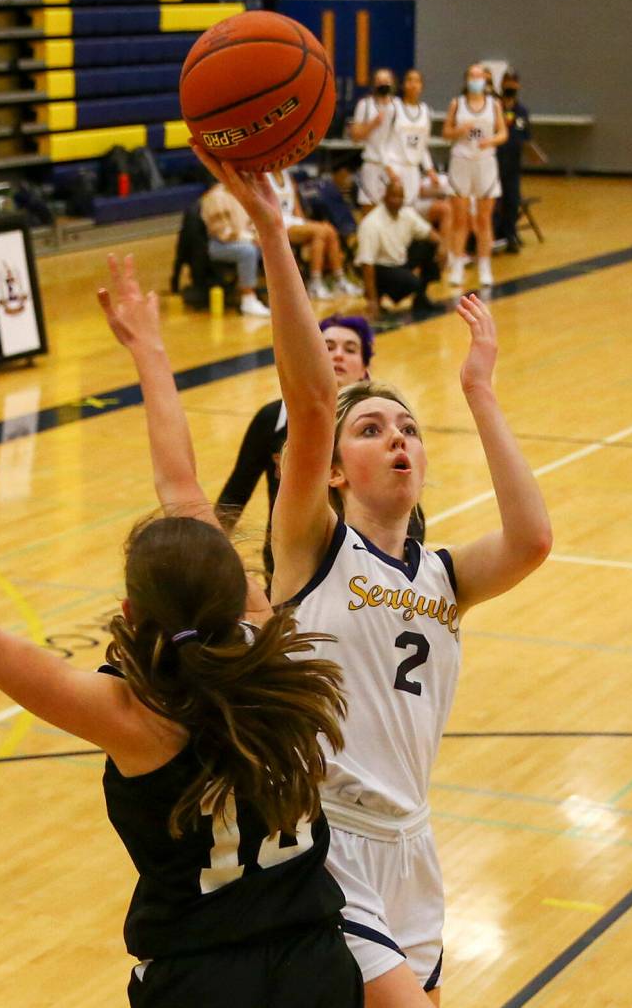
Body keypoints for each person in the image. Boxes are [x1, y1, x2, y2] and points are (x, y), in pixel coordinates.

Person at [0, 262, 364, 1007]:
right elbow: (183, 487)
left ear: (129, 613)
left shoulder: (137, 720)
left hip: (205, 979)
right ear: (240, 592)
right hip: (316, 961)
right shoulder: (270, 639)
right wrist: (149, 350)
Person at [189, 142, 552, 1007]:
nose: (397, 437)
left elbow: (533, 539)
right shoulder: (312, 548)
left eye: (409, 429)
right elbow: (311, 401)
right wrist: (276, 233)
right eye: (374, 429)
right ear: (336, 470)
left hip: (412, 842)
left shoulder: (443, 574)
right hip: (327, 838)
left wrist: (481, 393)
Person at [216, 314, 375, 585]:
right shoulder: (271, 419)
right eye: (327, 347)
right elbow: (234, 496)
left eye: (349, 350)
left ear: (365, 370)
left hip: (356, 580)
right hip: (283, 577)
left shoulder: (377, 426)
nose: (337, 356)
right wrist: (209, 554)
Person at [442, 63, 508, 288]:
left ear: (486, 81)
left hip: (485, 162)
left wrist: (490, 141)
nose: (476, 79)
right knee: (460, 220)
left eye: (480, 76)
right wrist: (459, 131)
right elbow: (445, 133)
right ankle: (458, 265)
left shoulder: (494, 105)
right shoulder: (456, 104)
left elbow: (503, 133)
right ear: (466, 79)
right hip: (461, 161)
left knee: (483, 219)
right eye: (472, 75)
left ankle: (484, 266)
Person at [267, 168, 361, 300]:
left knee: (329, 230)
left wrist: (303, 222)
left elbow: (296, 205)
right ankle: (315, 283)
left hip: (292, 220)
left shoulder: (287, 175)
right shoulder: (264, 177)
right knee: (320, 231)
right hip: (276, 224)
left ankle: (339, 280)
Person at [355, 180, 445, 317]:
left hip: (399, 261)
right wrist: (371, 301)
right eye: (393, 197)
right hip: (379, 268)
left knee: (430, 246)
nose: (397, 201)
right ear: (385, 197)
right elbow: (367, 264)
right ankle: (377, 300)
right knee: (412, 282)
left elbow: (429, 232)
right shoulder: (371, 223)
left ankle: (421, 299)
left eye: (400, 197)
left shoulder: (407, 213)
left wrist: (442, 247)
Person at [387, 70, 452, 242]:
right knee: (398, 213)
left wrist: (430, 170)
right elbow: (382, 141)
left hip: (414, 170)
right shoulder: (393, 107)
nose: (413, 84)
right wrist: (388, 168)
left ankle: (440, 253)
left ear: (422, 86)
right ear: (403, 84)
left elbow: (423, 145)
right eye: (409, 80)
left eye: (417, 81)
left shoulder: (425, 111)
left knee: (415, 212)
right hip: (395, 168)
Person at [200, 181, 270, 317]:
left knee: (271, 247)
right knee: (248, 251)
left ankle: (276, 293)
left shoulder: (243, 191)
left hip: (243, 239)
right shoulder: (216, 197)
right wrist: (251, 238)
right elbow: (223, 233)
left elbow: (252, 222)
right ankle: (248, 299)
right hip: (219, 245)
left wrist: (258, 235)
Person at [348, 68, 397, 213]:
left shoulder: (397, 107)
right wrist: (372, 124)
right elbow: (355, 136)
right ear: (373, 84)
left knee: (392, 210)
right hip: (371, 163)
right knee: (370, 211)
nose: (383, 84)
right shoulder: (365, 105)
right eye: (379, 81)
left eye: (386, 81)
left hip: (391, 166)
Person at [495, 69, 532, 252]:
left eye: (513, 82)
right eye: (507, 82)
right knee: (494, 202)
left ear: (518, 86)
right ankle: (496, 235)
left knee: (513, 200)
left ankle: (510, 234)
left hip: (513, 165)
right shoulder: (494, 108)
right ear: (501, 84)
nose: (510, 85)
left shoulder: (522, 111)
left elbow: (526, 137)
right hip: (494, 164)